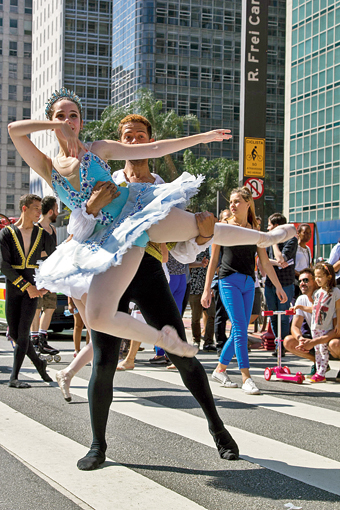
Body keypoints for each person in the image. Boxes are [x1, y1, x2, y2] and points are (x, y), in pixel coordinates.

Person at [8, 88, 293, 358]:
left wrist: (201, 137)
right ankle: (161, 339)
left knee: (203, 226)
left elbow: (155, 148)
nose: (67, 121)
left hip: (137, 210)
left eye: (73, 116)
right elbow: (14, 131)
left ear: (81, 122)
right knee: (96, 317)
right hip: (109, 239)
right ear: (51, 120)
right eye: (60, 116)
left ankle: (267, 238)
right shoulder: (47, 167)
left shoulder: (97, 149)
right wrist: (54, 127)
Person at [202, 188, 288, 395]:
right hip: (228, 281)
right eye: (231, 202)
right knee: (240, 329)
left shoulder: (255, 229)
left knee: (238, 330)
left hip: (249, 283)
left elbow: (265, 262)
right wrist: (206, 290)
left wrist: (277, 286)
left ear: (248, 203)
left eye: (237, 201)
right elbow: (214, 260)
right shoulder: (222, 227)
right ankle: (246, 378)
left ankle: (220, 369)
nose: (232, 205)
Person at [0, 194, 55, 388]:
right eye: (36, 208)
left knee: (23, 332)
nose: (39, 212)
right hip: (15, 287)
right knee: (15, 333)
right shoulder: (7, 233)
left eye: (40, 208)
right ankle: (39, 363)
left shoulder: (43, 234)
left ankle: (14, 377)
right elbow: (4, 265)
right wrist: (27, 286)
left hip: (33, 287)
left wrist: (46, 284)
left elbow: (54, 259)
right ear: (24, 209)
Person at [283, 268, 339, 378]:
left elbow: (336, 331)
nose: (302, 283)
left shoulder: (331, 296)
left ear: (316, 281)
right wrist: (300, 339)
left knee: (334, 344)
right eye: (300, 281)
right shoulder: (302, 299)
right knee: (288, 341)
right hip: (317, 336)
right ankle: (321, 365)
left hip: (331, 338)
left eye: (305, 280)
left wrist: (313, 342)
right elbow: (295, 326)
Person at [264, 213, 298, 357]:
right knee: (272, 316)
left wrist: (274, 242)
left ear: (277, 227)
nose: (267, 228)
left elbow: (281, 260)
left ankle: (282, 346)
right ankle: (278, 343)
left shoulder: (291, 240)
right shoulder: (266, 241)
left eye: (270, 225)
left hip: (285, 284)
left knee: (283, 316)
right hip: (269, 284)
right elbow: (262, 261)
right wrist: (274, 262)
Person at [30, 195, 60, 356]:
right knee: (36, 307)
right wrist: (50, 253)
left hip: (50, 272)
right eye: (56, 209)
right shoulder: (36, 229)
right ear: (50, 211)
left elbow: (53, 249)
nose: (58, 212)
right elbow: (31, 253)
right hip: (37, 272)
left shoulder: (53, 230)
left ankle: (42, 337)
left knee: (50, 306)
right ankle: (34, 338)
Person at [189, 248, 217, 351]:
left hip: (210, 286)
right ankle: (196, 340)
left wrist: (213, 286)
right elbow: (186, 264)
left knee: (211, 315)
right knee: (196, 317)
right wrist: (200, 264)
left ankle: (208, 342)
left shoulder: (213, 247)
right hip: (195, 286)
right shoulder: (193, 246)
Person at [294, 223, 312, 298]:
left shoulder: (308, 249)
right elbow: (288, 265)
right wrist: (299, 274)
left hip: (306, 281)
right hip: (296, 281)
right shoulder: (294, 248)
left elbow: (310, 264)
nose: (308, 235)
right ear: (298, 233)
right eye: (305, 233)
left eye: (309, 233)